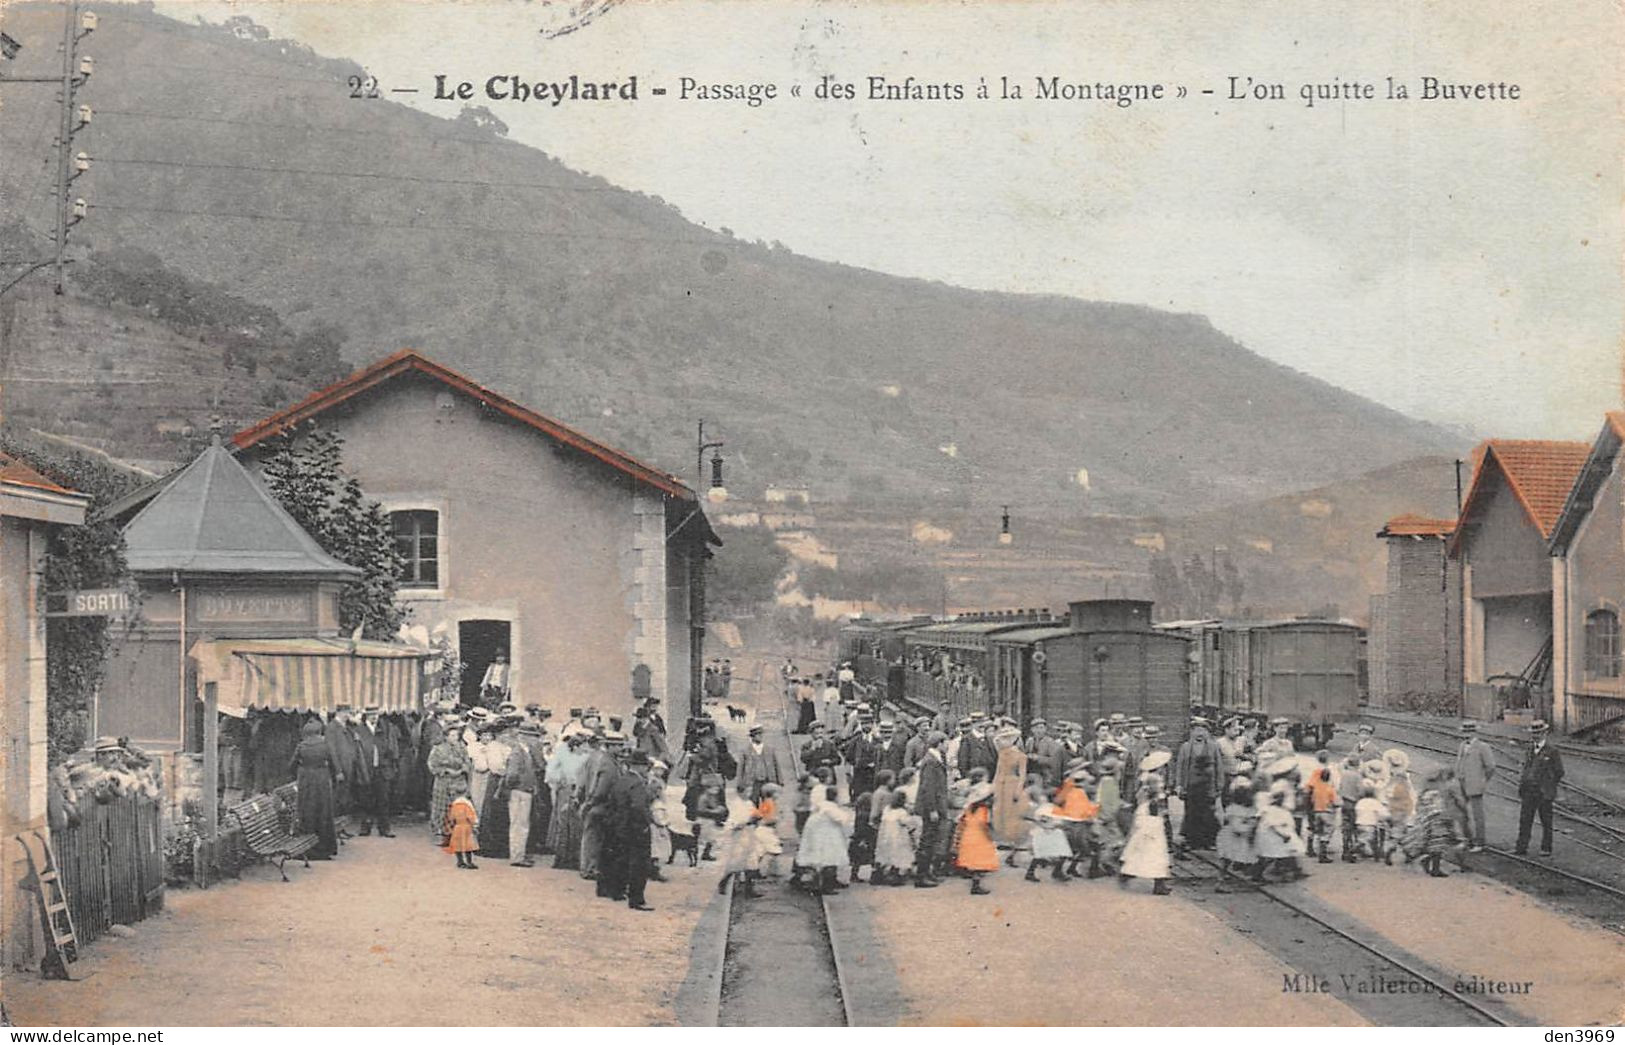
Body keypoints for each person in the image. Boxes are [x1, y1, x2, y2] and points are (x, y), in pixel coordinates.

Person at [1119, 753, 1173, 895]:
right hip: (1152, 816)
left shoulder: (1143, 778)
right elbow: (1158, 797)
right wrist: (1163, 797)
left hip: (1143, 814)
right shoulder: (1155, 778)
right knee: (1157, 848)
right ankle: (1158, 883)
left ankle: (1129, 872)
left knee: (1141, 845)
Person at [290, 719, 340, 859]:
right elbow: (334, 764)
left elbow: (291, 765)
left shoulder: (301, 746)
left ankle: (306, 850)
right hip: (322, 781)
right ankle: (324, 849)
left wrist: (300, 770)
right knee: (324, 814)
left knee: (307, 814)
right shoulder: (325, 745)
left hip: (306, 782)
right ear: (319, 732)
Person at [1515, 720, 1564, 856]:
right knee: (1525, 820)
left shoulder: (1552, 751)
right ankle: (1521, 847)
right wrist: (1523, 784)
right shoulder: (1530, 749)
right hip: (1529, 790)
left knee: (1546, 821)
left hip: (1543, 793)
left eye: (1538, 733)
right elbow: (1526, 768)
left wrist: (1548, 784)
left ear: (1544, 733)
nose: (1535, 736)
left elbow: (1559, 771)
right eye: (1534, 733)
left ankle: (1546, 848)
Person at [1174, 717, 1224, 851]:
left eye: (1202, 730)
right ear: (1192, 732)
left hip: (1208, 786)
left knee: (1208, 814)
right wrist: (1179, 785)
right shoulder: (1185, 747)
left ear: (1207, 732)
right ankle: (1192, 841)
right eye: (1197, 730)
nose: (1199, 733)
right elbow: (1180, 767)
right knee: (1191, 813)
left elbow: (1219, 766)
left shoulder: (1213, 747)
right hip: (1191, 786)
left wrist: (1219, 785)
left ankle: (1209, 841)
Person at [798, 785, 855, 894]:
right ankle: (826, 885)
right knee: (829, 858)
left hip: (824, 833)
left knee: (830, 857)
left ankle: (831, 881)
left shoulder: (823, 805)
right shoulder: (829, 807)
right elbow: (841, 818)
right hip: (827, 835)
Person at [912, 731, 950, 887]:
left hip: (934, 805)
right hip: (930, 807)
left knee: (931, 839)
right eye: (945, 742)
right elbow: (928, 788)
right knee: (927, 841)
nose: (947, 745)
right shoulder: (931, 761)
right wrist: (932, 809)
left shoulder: (935, 758)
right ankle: (921, 876)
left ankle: (927, 872)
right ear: (939, 743)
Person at [426, 716, 471, 847]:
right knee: (441, 809)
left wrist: (462, 770)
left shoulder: (462, 747)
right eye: (452, 735)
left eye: (456, 735)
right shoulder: (438, 748)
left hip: (459, 783)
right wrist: (445, 771)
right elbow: (432, 765)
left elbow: (467, 762)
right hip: (443, 782)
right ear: (446, 736)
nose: (454, 738)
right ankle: (441, 835)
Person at [355, 705, 398, 837]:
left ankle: (384, 828)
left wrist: (390, 764)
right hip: (366, 769)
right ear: (366, 716)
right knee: (366, 798)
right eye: (371, 715)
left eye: (376, 714)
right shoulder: (359, 730)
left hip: (382, 768)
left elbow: (391, 747)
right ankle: (365, 826)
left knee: (383, 799)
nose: (374, 717)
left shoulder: (384, 728)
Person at [1454, 721, 1496, 852]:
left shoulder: (1483, 747)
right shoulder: (1462, 745)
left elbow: (1490, 766)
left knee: (1478, 815)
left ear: (1475, 732)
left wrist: (1482, 781)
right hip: (1461, 783)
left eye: (1470, 732)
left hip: (1475, 784)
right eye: (1465, 732)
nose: (1467, 735)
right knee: (1461, 813)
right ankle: (1466, 839)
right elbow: (1459, 762)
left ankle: (1480, 842)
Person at [1255, 780, 1308, 881]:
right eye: (1278, 798)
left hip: (1278, 836)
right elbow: (1273, 825)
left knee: (1284, 854)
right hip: (1272, 836)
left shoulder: (1280, 810)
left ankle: (1287, 873)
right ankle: (1258, 874)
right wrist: (1283, 835)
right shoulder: (1270, 810)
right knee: (1270, 856)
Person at [505, 724, 541, 866]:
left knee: (522, 824)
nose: (535, 740)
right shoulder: (518, 752)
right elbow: (512, 774)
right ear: (525, 737)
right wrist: (519, 784)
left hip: (524, 790)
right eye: (533, 737)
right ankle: (517, 856)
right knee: (518, 825)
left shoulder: (525, 751)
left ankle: (520, 854)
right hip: (520, 791)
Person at [953, 783, 999, 894]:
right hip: (980, 837)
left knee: (973, 861)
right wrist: (991, 836)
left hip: (968, 836)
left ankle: (975, 883)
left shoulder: (970, 808)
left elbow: (961, 821)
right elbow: (985, 824)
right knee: (980, 861)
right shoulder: (985, 810)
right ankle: (976, 885)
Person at [1024, 781, 1072, 883]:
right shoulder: (1047, 808)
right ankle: (1031, 872)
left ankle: (1056, 871)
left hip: (1052, 832)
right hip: (1045, 832)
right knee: (1041, 854)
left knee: (1063, 852)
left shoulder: (1050, 808)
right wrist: (1055, 825)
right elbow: (1042, 821)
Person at [324, 704, 367, 818]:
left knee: (345, 798)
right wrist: (338, 770)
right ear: (340, 713)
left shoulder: (347, 728)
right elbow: (331, 751)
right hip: (340, 769)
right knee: (338, 798)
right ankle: (336, 829)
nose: (348, 716)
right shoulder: (331, 727)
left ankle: (341, 826)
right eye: (347, 713)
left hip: (349, 767)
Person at [874, 790, 920, 886]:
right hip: (898, 837)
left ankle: (879, 875)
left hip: (885, 836)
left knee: (886, 855)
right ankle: (895, 876)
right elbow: (907, 823)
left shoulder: (887, 809)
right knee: (899, 856)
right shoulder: (901, 812)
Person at [736, 724, 785, 802]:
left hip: (768, 780)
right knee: (753, 804)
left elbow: (776, 765)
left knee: (768, 804)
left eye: (761, 734)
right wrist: (739, 783)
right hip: (752, 783)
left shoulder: (770, 749)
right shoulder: (745, 751)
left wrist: (780, 780)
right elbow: (740, 768)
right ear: (752, 736)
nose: (760, 736)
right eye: (757, 734)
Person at [443, 787, 480, 870]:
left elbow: (451, 817)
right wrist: (475, 825)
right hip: (467, 827)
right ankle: (469, 862)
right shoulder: (467, 804)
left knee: (457, 845)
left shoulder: (454, 805)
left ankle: (460, 861)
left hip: (458, 826)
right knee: (468, 845)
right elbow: (471, 816)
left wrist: (450, 826)